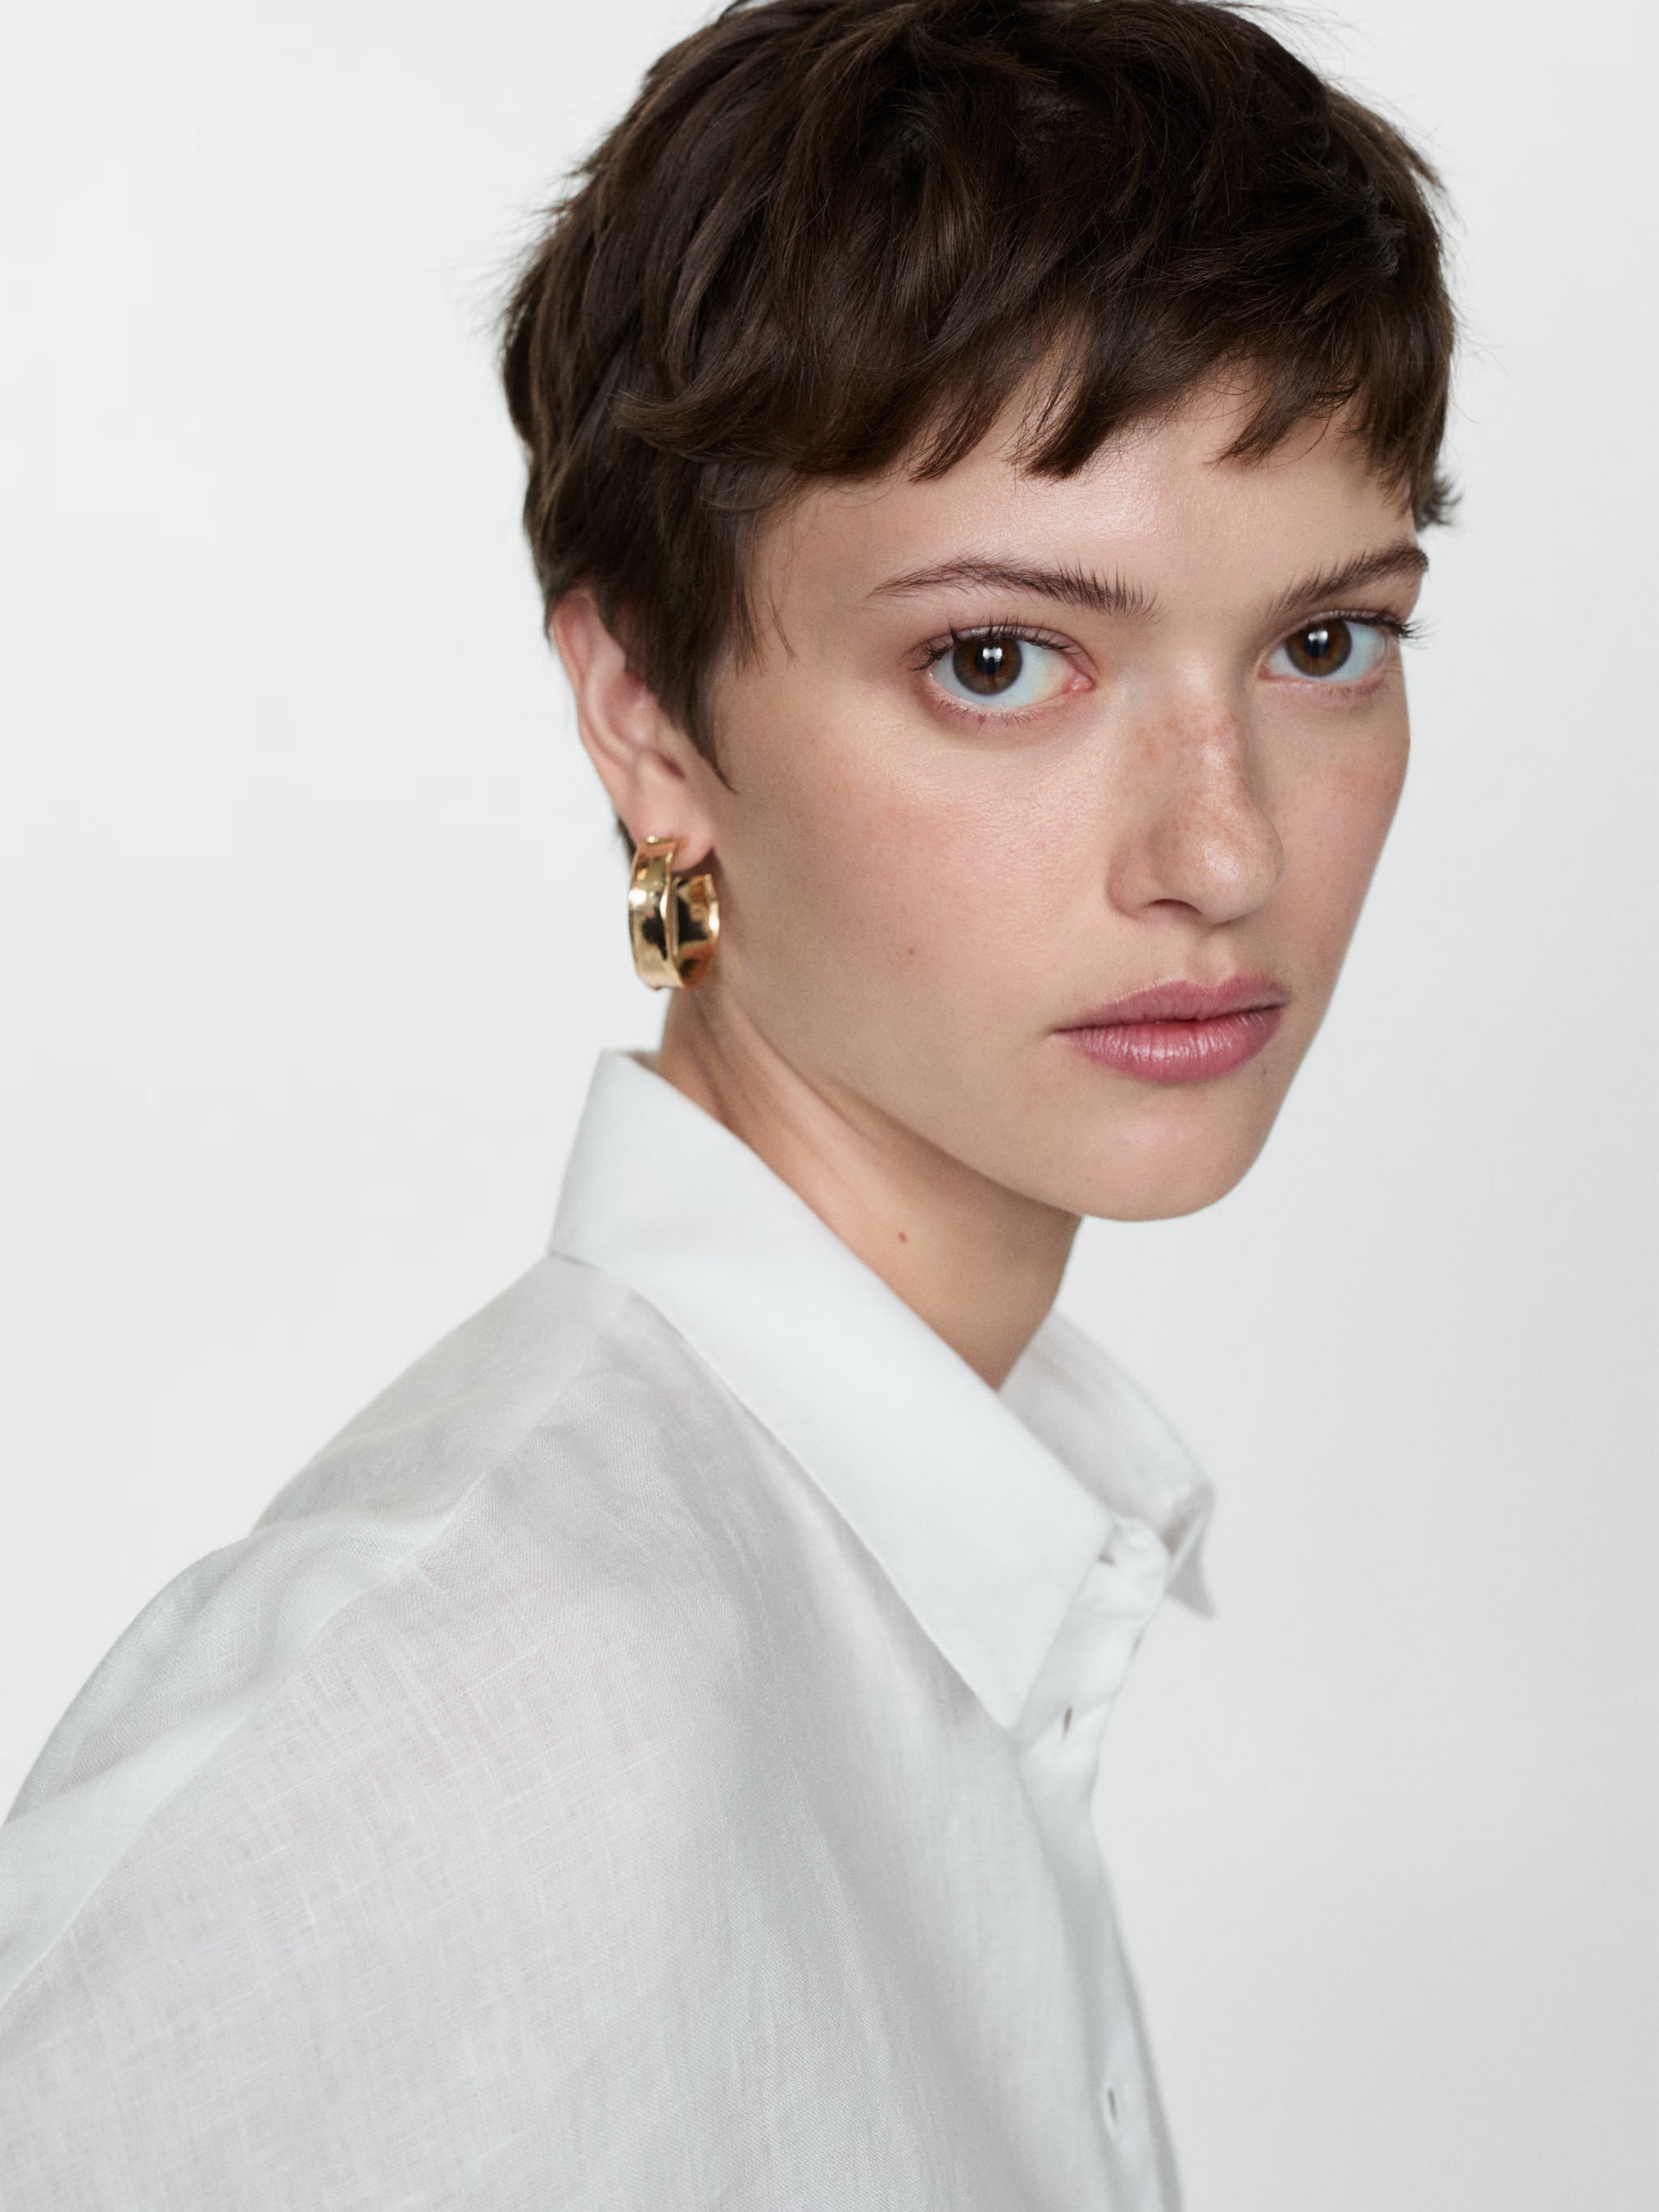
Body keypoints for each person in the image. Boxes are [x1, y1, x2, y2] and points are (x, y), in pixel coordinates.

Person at [0, 1, 1453, 2204]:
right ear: (647, 718)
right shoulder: (483, 1721)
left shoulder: (909, 1559)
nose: (1222, 849)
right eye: (998, 660)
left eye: (1324, 642)